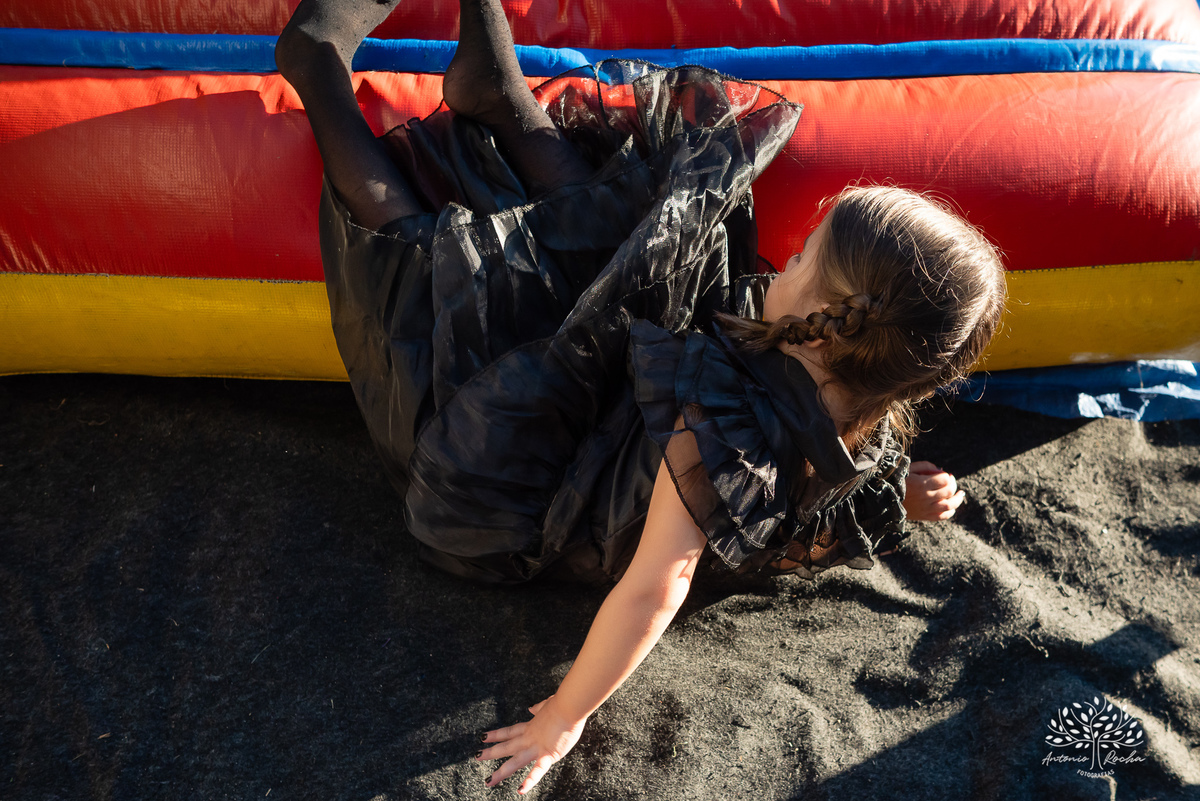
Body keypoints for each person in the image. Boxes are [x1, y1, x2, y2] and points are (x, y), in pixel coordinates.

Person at [276, 0, 1006, 792]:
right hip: (632, 396)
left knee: (445, 276)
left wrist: (565, 715)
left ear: (829, 331)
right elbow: (835, 469)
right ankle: (498, 95)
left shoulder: (721, 432)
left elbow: (656, 588)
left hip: (550, 482)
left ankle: (318, 70)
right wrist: (902, 490)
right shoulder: (853, 385)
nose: (786, 259)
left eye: (802, 259)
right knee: (643, 232)